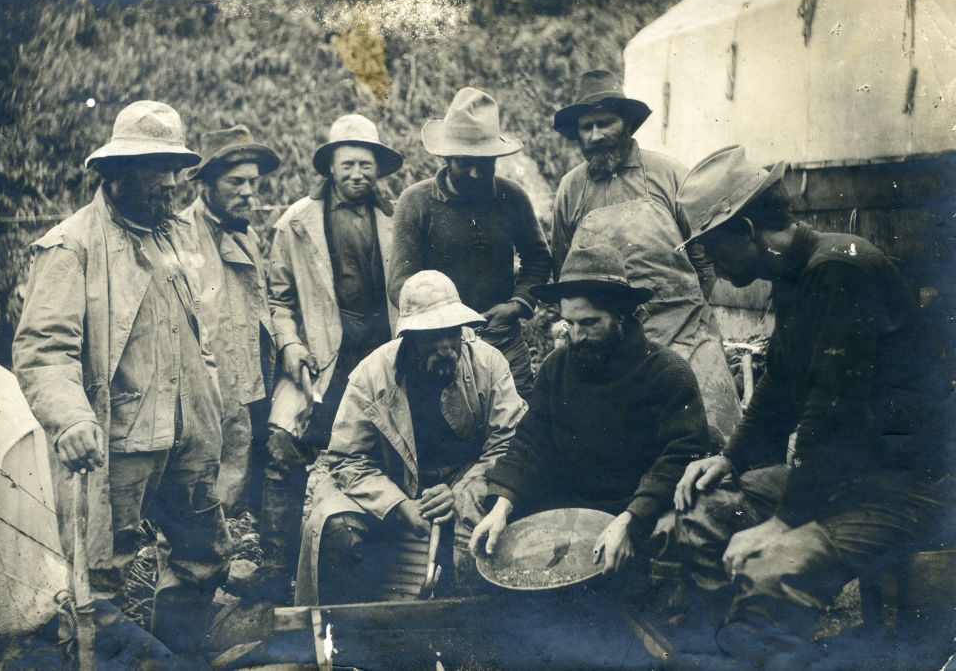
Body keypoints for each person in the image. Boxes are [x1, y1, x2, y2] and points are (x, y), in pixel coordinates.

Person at [666, 145, 954, 667]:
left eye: (710, 247)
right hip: (847, 478)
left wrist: (784, 522)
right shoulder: (793, 278)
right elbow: (779, 388)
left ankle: (762, 649)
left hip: (906, 487)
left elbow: (834, 411)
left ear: (747, 231)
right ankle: (737, 652)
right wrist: (731, 458)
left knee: (771, 568)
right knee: (704, 516)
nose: (707, 261)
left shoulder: (839, 271)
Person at [12, 101, 230, 659]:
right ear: (115, 173)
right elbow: (44, 351)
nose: (170, 184)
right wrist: (71, 418)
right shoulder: (72, 246)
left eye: (173, 168)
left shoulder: (176, 234)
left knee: (201, 556)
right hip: (117, 442)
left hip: (188, 437)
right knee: (96, 584)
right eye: (154, 169)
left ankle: (180, 656)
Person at [471, 243, 713, 581]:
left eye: (589, 323)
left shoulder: (667, 371)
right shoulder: (556, 367)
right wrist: (502, 505)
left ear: (622, 314)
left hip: (638, 511)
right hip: (568, 511)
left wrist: (631, 519)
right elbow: (530, 441)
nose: (578, 336)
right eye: (569, 323)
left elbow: (683, 454)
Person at [295, 270, 527, 605]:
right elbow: (347, 458)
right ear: (410, 336)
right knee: (335, 526)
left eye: (452, 333)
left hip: (466, 481)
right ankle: (341, 640)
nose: (446, 347)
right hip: (391, 486)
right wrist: (400, 506)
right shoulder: (371, 374)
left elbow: (509, 442)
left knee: (486, 531)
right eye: (433, 336)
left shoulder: (489, 364)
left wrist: (460, 491)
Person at [549, 69, 740, 438]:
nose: (596, 135)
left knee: (710, 440)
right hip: (612, 347)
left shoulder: (669, 175)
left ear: (628, 124)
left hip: (687, 334)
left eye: (605, 123)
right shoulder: (571, 190)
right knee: (626, 446)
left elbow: (705, 257)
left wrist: (687, 313)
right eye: (586, 127)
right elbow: (565, 270)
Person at [265, 114, 402, 597]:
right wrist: (292, 345)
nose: (358, 174)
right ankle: (280, 563)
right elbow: (277, 299)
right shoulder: (297, 222)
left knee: (378, 452)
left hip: (384, 355)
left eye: (366, 164)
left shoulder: (398, 217)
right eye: (348, 164)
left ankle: (374, 566)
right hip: (323, 358)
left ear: (378, 168)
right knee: (286, 444)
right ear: (331, 168)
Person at [388, 87, 552, 398]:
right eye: (465, 162)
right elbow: (400, 283)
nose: (477, 173)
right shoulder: (415, 202)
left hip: (503, 339)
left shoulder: (511, 196)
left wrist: (517, 304)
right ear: (445, 157)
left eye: (486, 163)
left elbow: (538, 258)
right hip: (438, 345)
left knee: (516, 423)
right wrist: (444, 322)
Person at [180, 125, 279, 518]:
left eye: (254, 183)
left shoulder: (248, 235)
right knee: (201, 496)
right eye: (236, 182)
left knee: (240, 486)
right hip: (206, 389)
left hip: (250, 382)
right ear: (206, 183)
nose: (248, 193)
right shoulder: (181, 236)